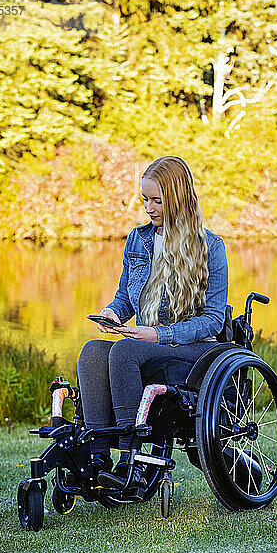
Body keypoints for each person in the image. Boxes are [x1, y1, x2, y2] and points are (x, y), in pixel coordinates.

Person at [77, 155, 228, 490]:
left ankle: (130, 460)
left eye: (157, 200)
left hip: (193, 350)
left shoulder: (211, 247)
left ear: (177, 198)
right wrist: (113, 314)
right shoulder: (139, 239)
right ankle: (99, 458)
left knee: (124, 353)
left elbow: (214, 320)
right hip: (145, 343)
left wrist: (159, 334)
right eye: (145, 199)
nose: (148, 207)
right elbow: (125, 298)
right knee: (92, 352)